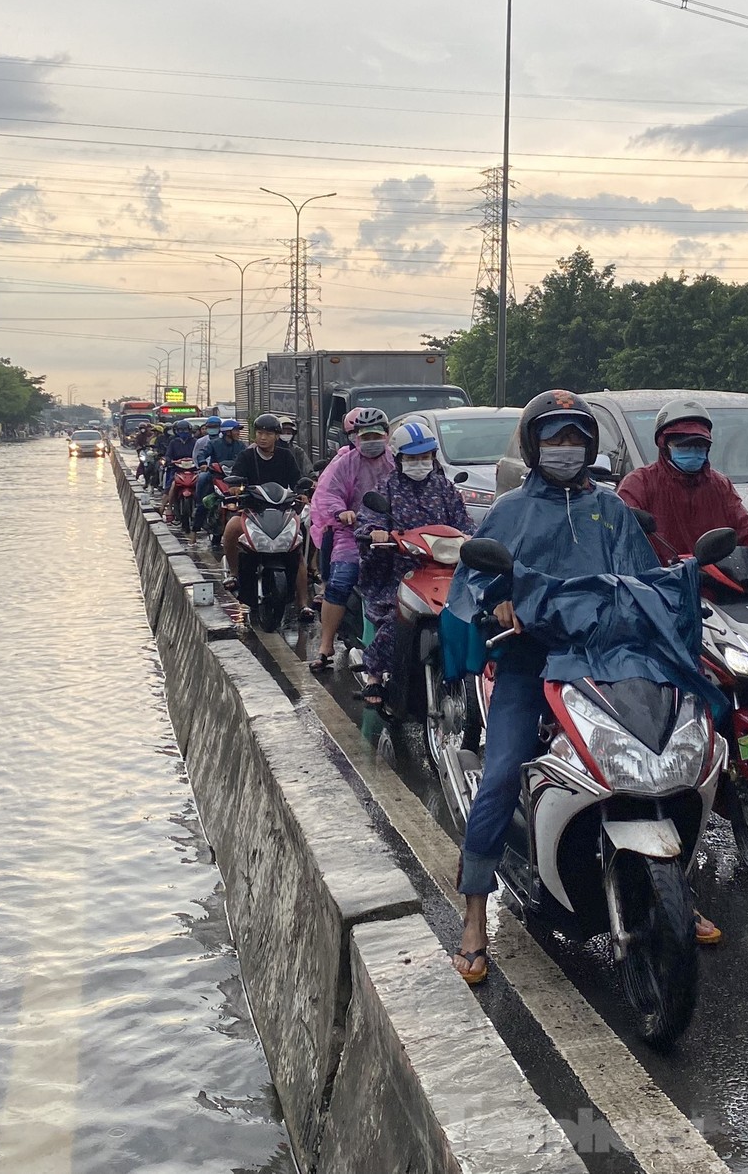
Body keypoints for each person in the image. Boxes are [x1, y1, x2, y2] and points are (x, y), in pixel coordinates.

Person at [445, 390, 722, 985]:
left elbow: (644, 576)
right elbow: (472, 581)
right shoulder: (511, 511)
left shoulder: (611, 508)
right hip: (531, 660)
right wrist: (500, 604)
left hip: (610, 655)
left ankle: (679, 886)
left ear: (591, 444)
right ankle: (471, 914)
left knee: (673, 751)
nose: (565, 448)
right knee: (499, 776)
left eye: (575, 437)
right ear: (533, 444)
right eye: (554, 437)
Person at [353, 417, 473, 710]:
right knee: (397, 619)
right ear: (399, 458)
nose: (420, 462)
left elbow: (464, 522)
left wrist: (473, 538)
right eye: (413, 457)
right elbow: (368, 521)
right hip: (398, 570)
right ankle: (374, 674)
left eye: (425, 456)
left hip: (444, 570)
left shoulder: (444, 488)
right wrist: (375, 533)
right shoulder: (387, 488)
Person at [616, 397, 748, 578]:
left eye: (699, 446)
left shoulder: (718, 485)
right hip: (662, 589)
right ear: (664, 445)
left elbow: (747, 529)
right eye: (684, 446)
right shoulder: (639, 483)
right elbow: (622, 535)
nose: (693, 452)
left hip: (720, 585)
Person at [307, 406, 394, 672]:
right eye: (365, 437)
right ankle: (325, 646)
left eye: (376, 436)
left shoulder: (397, 461)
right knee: (340, 582)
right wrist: (341, 512)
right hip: (353, 535)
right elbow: (328, 493)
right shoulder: (345, 463)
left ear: (387, 435)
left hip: (392, 536)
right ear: (356, 438)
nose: (370, 442)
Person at [223, 413, 312, 622]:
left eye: (268, 434)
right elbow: (235, 479)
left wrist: (302, 492)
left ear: (276, 436)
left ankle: (303, 604)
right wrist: (235, 488)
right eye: (260, 433)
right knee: (231, 528)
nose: (263, 438)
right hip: (252, 511)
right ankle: (235, 574)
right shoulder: (246, 456)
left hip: (282, 512)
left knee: (298, 546)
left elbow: (297, 480)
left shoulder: (286, 456)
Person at [191, 419, 247, 537]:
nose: (238, 433)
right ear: (228, 432)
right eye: (236, 430)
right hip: (216, 476)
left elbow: (248, 458)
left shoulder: (241, 445)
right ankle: (194, 532)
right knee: (203, 491)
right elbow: (202, 454)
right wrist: (202, 464)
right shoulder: (214, 443)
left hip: (236, 478)